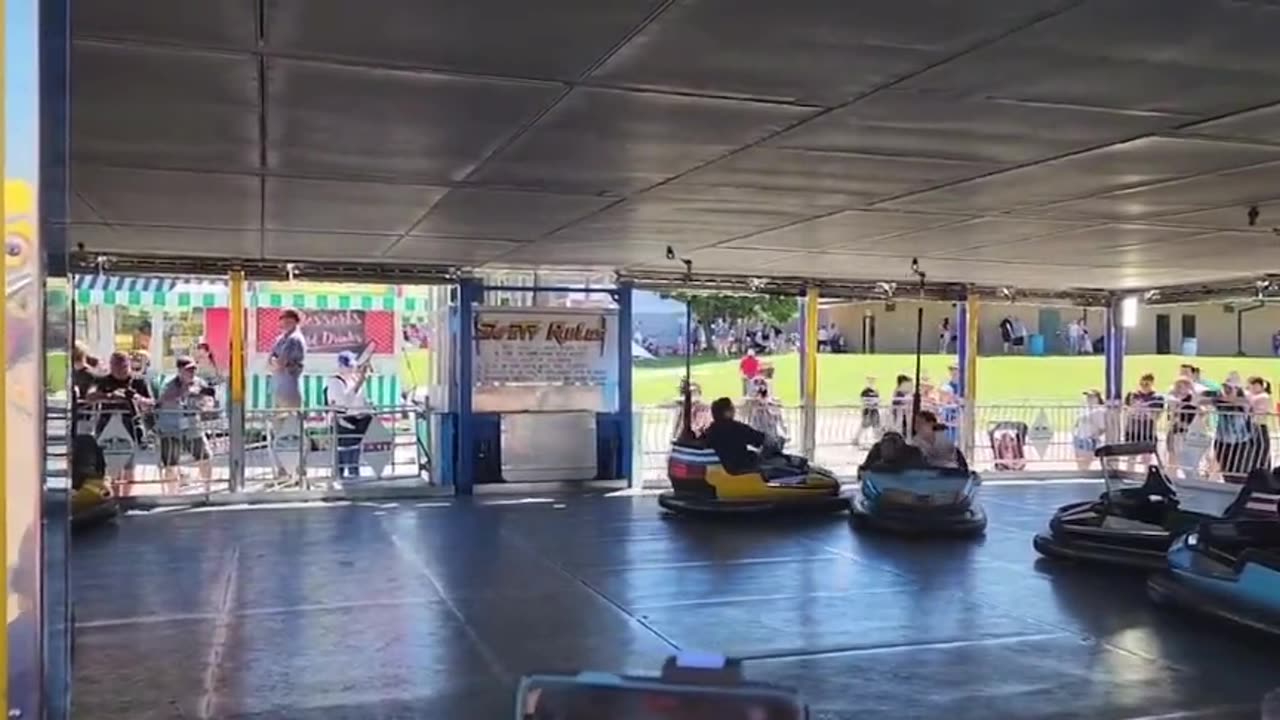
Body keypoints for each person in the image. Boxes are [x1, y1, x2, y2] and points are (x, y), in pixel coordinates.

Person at [84, 351, 155, 495]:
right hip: (106, 427)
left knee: (128, 465)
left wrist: (135, 397)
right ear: (111, 366)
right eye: (116, 366)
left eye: (123, 366)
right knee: (111, 464)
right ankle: (114, 497)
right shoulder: (102, 380)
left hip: (130, 426)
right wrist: (109, 396)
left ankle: (126, 498)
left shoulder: (138, 381)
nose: (120, 370)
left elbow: (150, 403)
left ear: (128, 365)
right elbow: (89, 396)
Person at [155, 356, 214, 492]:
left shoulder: (200, 382)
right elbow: (162, 401)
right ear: (180, 370)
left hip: (192, 425)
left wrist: (206, 406)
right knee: (170, 463)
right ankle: (172, 494)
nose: (192, 372)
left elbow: (208, 398)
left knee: (205, 457)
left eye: (194, 369)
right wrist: (184, 392)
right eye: (188, 370)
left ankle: (207, 489)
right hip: (170, 427)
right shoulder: (169, 384)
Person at [327, 351, 372, 479]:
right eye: (348, 366)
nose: (352, 369)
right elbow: (343, 403)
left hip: (357, 420)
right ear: (340, 366)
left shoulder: (354, 380)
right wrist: (359, 383)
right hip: (342, 420)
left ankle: (353, 476)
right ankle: (339, 477)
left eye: (353, 366)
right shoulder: (334, 382)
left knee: (354, 451)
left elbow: (360, 400)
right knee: (343, 452)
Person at [1123, 373, 1163, 471]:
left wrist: (1146, 411)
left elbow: (1157, 415)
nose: (1144, 385)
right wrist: (1132, 410)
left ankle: (1145, 476)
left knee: (1146, 457)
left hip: (1147, 430)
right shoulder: (1132, 395)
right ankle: (1129, 473)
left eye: (1147, 384)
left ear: (1152, 383)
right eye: (1142, 383)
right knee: (1131, 455)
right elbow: (1125, 409)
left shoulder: (1157, 398)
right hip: (1133, 429)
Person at [269, 309, 307, 409]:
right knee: (278, 421)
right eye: (281, 318)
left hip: (290, 386)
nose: (282, 322)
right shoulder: (280, 339)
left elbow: (281, 363)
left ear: (294, 321)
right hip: (279, 386)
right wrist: (274, 362)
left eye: (285, 318)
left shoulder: (295, 339)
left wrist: (277, 363)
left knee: (291, 420)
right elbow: (269, 361)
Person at [1073, 390, 1108, 471]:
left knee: (1085, 463)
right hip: (1079, 437)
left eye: (1092, 397)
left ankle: (1083, 478)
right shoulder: (1085, 409)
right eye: (1088, 397)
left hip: (1088, 439)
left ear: (1097, 398)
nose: (1089, 399)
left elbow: (1102, 427)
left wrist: (1093, 436)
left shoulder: (1099, 410)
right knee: (1079, 463)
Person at [855, 376, 881, 448]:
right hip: (867, 411)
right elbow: (863, 400)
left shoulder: (876, 391)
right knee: (864, 425)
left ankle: (878, 439)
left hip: (874, 411)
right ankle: (857, 438)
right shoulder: (865, 391)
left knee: (876, 426)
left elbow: (878, 400)